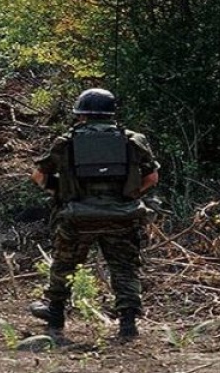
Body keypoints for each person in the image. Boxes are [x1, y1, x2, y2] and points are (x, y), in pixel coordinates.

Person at [29, 88, 159, 340]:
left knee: (64, 265)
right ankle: (128, 325)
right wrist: (129, 195)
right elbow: (152, 177)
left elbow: (39, 176)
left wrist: (61, 190)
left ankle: (55, 319)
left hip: (78, 216)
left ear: (81, 115)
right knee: (124, 269)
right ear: (111, 113)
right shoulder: (134, 139)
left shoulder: (66, 141)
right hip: (123, 217)